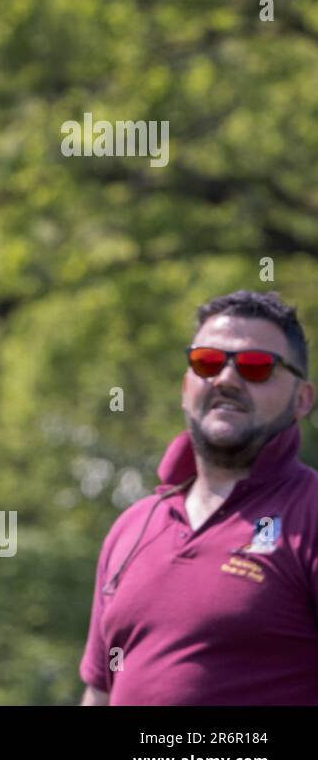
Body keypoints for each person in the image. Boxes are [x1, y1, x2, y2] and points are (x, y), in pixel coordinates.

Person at [79, 290, 318, 704]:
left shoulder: (310, 513)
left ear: (302, 400)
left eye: (256, 366)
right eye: (207, 362)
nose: (226, 379)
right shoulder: (134, 526)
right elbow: (99, 693)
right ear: (185, 386)